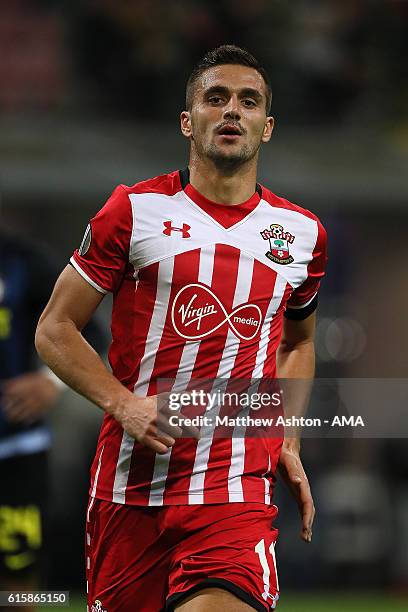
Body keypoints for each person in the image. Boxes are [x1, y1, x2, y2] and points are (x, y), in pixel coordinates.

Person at [35, 45, 327, 612]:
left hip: (236, 490)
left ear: (267, 128)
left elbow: (299, 341)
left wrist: (288, 439)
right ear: (188, 122)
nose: (232, 112)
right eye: (216, 99)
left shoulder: (302, 234)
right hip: (129, 489)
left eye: (248, 102)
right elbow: (54, 329)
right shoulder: (133, 210)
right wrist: (123, 404)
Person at [0, 228, 106, 611]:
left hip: (13, 450)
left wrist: (50, 381)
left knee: (17, 576)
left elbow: (86, 330)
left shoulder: (21, 260)